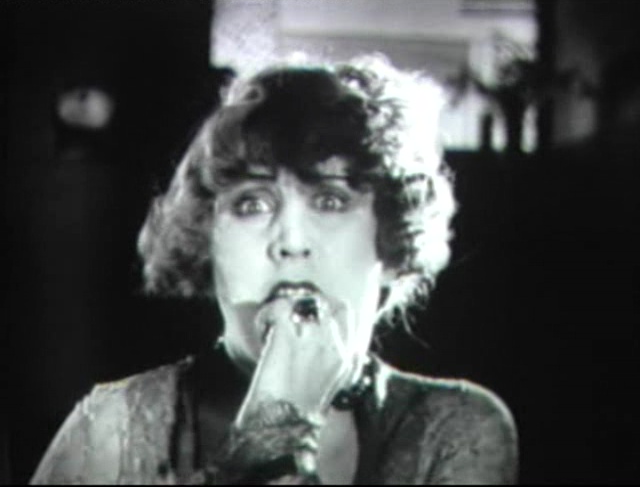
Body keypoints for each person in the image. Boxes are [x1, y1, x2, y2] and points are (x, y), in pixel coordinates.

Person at [31, 55, 518, 485]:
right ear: (207, 244)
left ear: (391, 245)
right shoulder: (110, 427)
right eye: (252, 204)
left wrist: (279, 427)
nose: (290, 241)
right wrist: (278, 419)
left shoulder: (455, 428)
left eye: (330, 200)